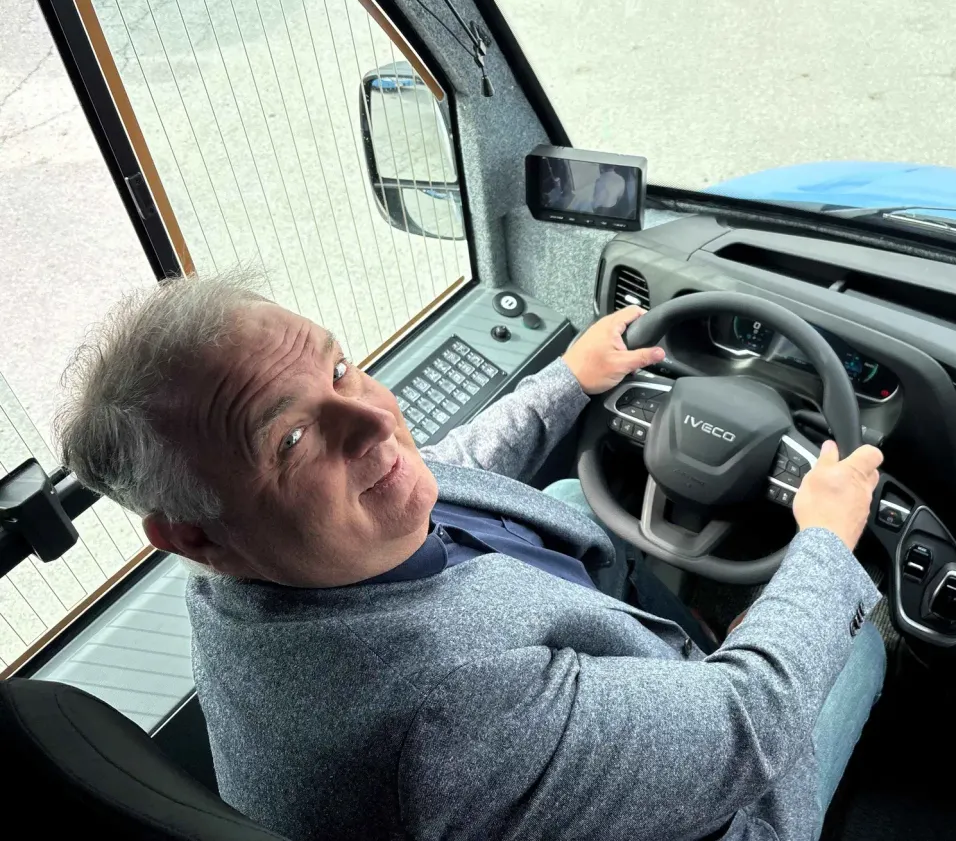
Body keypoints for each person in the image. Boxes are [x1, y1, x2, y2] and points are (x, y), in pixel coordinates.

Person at [56, 271, 887, 841]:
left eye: (340, 367)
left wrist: (568, 378)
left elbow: (441, 471)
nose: (377, 420)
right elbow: (747, 719)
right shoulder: (448, 721)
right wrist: (820, 543)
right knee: (855, 642)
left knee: (560, 504)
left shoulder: (230, 575)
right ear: (193, 534)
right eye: (295, 435)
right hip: (727, 800)